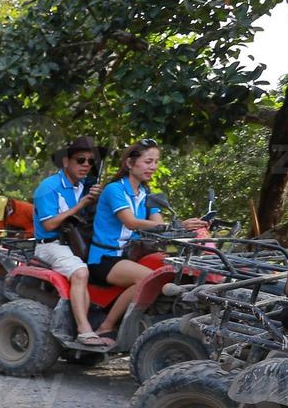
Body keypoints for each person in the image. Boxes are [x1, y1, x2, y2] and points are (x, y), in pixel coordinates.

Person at [86, 139, 206, 340]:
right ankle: (106, 327)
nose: (153, 167)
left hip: (131, 254)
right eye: (148, 161)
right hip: (106, 257)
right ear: (130, 163)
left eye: (156, 162)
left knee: (173, 269)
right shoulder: (115, 190)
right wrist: (174, 225)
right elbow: (131, 222)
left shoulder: (146, 193)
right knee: (146, 278)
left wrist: (187, 229)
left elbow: (158, 224)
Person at [31, 136, 107, 345]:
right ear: (66, 161)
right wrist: (81, 204)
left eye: (90, 162)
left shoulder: (82, 186)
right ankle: (83, 330)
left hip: (76, 243)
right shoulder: (48, 187)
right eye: (80, 160)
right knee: (80, 272)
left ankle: (104, 324)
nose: (86, 165)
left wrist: (95, 199)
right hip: (51, 245)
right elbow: (48, 225)